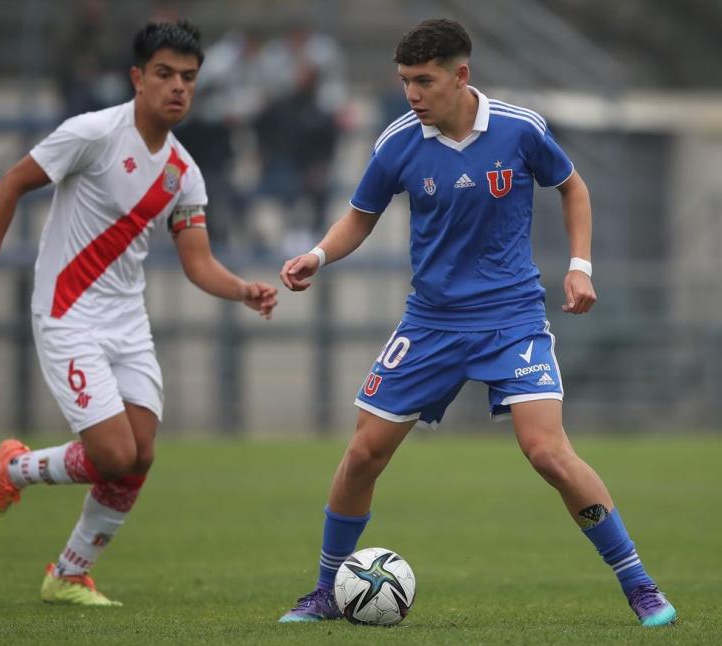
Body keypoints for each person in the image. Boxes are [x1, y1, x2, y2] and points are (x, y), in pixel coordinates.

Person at [278, 19, 675, 628]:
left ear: (461, 75)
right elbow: (360, 215)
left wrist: (579, 266)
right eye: (405, 81)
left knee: (546, 452)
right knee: (362, 454)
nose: (412, 94)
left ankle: (640, 585)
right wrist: (319, 255)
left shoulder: (521, 129)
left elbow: (573, 189)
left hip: (511, 321)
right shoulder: (398, 141)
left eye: (424, 81)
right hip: (431, 322)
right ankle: (327, 590)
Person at [0, 21, 277, 607]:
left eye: (189, 78)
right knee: (112, 456)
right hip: (67, 314)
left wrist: (241, 290)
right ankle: (15, 469)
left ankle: (70, 572)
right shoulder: (91, 134)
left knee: (141, 453)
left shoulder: (183, 171)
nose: (178, 87)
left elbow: (199, 263)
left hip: (127, 324)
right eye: (165, 74)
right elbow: (8, 185)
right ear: (137, 77)